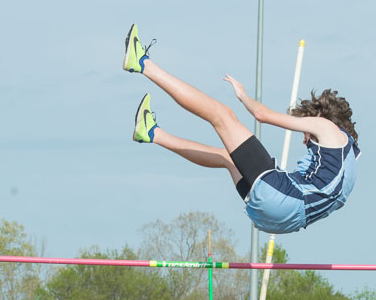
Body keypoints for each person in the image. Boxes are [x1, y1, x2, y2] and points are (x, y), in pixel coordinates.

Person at [122, 25, 360, 235]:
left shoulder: (326, 127)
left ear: (318, 117)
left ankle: (142, 64)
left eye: (306, 135)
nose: (305, 140)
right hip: (278, 220)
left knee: (223, 116)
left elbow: (261, 115)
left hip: (283, 198)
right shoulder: (350, 157)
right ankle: (152, 133)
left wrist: (244, 96)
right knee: (228, 158)